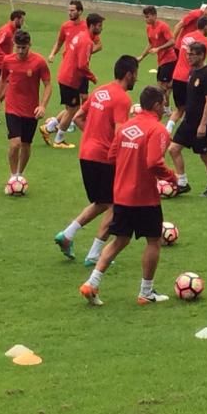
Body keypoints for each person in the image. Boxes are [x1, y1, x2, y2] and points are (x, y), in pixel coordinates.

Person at [79, 85, 178, 307]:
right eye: (164, 104)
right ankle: (146, 292)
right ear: (156, 105)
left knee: (119, 240)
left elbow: (112, 155)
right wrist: (171, 177)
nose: (165, 109)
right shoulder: (158, 130)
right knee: (153, 241)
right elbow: (154, 162)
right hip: (144, 198)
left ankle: (92, 282)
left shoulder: (125, 127)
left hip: (121, 196)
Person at [54, 55, 139, 264]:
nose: (136, 78)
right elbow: (120, 135)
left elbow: (78, 118)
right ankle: (94, 254)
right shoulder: (122, 99)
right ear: (129, 74)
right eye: (135, 74)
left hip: (86, 153)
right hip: (104, 157)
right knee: (116, 205)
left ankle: (67, 235)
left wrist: (93, 136)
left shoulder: (100, 91)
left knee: (101, 202)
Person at [0, 30, 52, 183]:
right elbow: (3, 80)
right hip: (12, 108)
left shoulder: (39, 62)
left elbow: (48, 84)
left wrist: (42, 106)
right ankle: (13, 176)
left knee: (26, 144)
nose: (21, 51)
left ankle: (19, 173)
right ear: (14, 45)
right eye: (18, 47)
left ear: (30, 45)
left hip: (31, 110)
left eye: (24, 47)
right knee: (15, 143)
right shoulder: (7, 61)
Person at [41, 13, 105, 149]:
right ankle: (59, 139)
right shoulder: (86, 41)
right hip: (70, 78)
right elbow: (82, 65)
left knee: (71, 108)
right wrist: (92, 77)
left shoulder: (81, 36)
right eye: (99, 26)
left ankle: (48, 128)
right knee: (73, 110)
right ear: (92, 25)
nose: (101, 28)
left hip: (66, 75)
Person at [168, 41, 207, 198]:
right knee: (173, 149)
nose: (188, 57)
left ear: (201, 55)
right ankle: (182, 182)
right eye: (187, 54)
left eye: (191, 54)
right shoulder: (192, 72)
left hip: (200, 123)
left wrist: (203, 125)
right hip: (188, 121)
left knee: (204, 155)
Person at [167, 16, 207, 133]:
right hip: (189, 79)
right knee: (190, 111)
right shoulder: (205, 42)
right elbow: (201, 63)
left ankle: (167, 131)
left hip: (177, 75)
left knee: (179, 110)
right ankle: (183, 137)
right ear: (206, 27)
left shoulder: (186, 36)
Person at [137, 5, 176, 105]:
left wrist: (159, 48)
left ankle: (163, 107)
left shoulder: (163, 26)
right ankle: (167, 103)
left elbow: (172, 41)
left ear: (154, 15)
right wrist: (142, 56)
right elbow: (151, 44)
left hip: (169, 59)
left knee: (160, 87)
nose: (146, 19)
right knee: (163, 87)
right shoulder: (149, 28)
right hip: (161, 60)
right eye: (145, 17)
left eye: (148, 17)